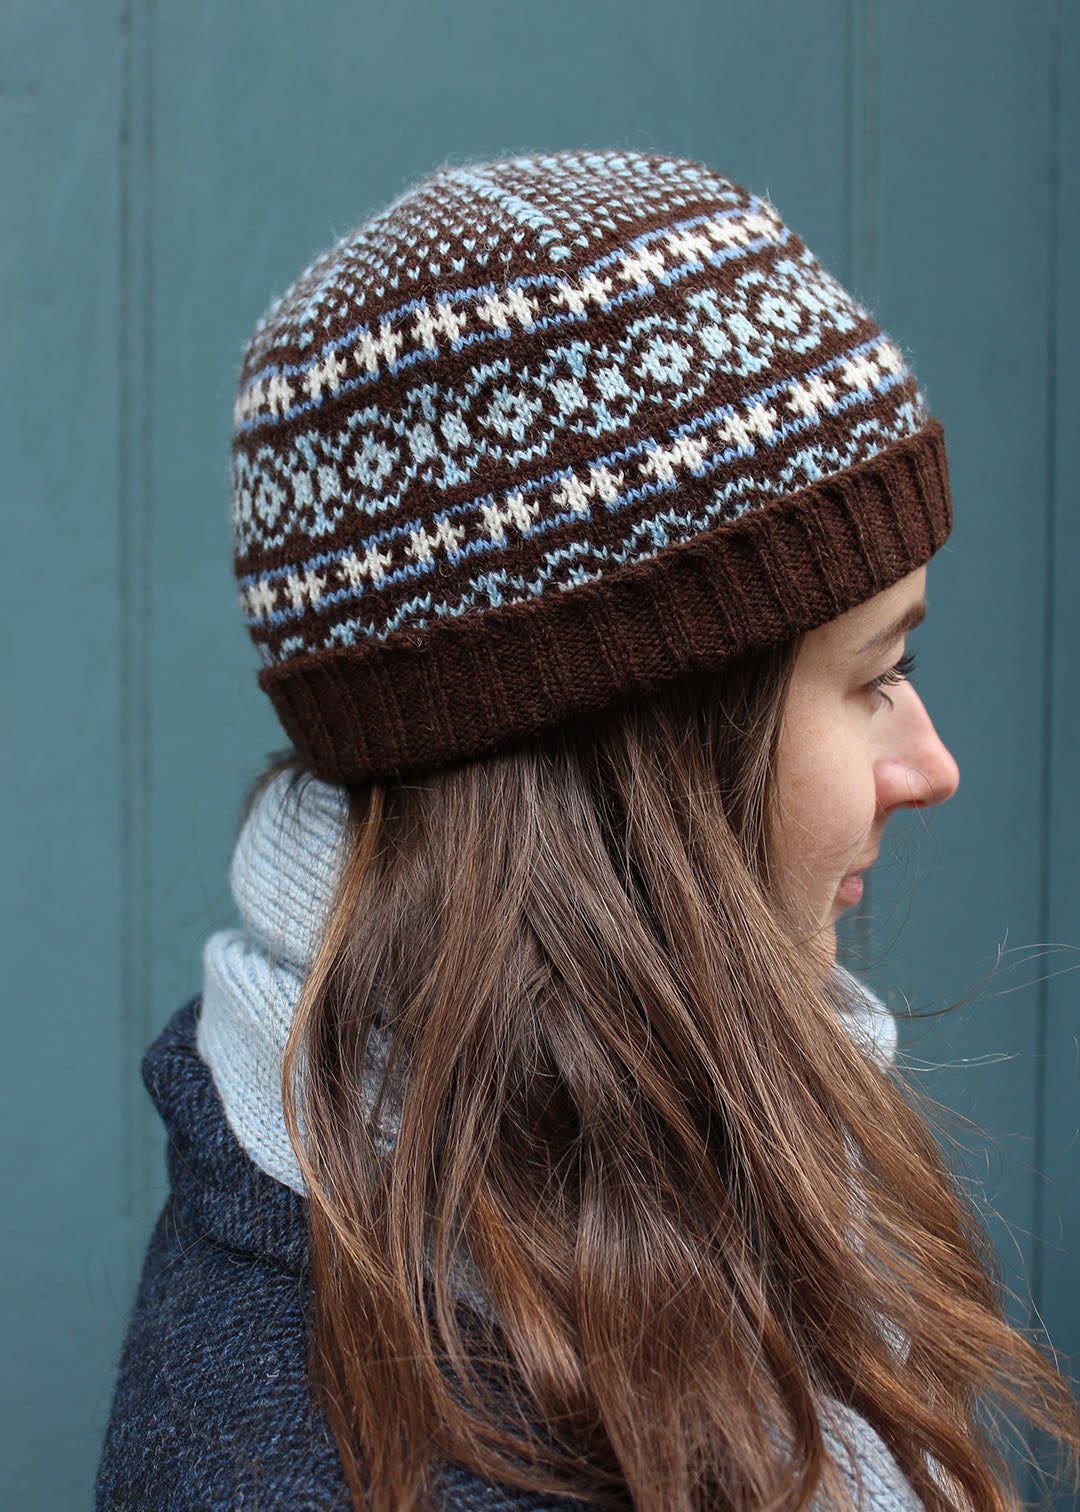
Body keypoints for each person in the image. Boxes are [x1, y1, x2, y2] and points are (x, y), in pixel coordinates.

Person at [96, 151, 1079, 1511]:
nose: (932, 764)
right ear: (628, 762)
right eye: (871, 677)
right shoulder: (320, 1452)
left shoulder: (656, 1169)